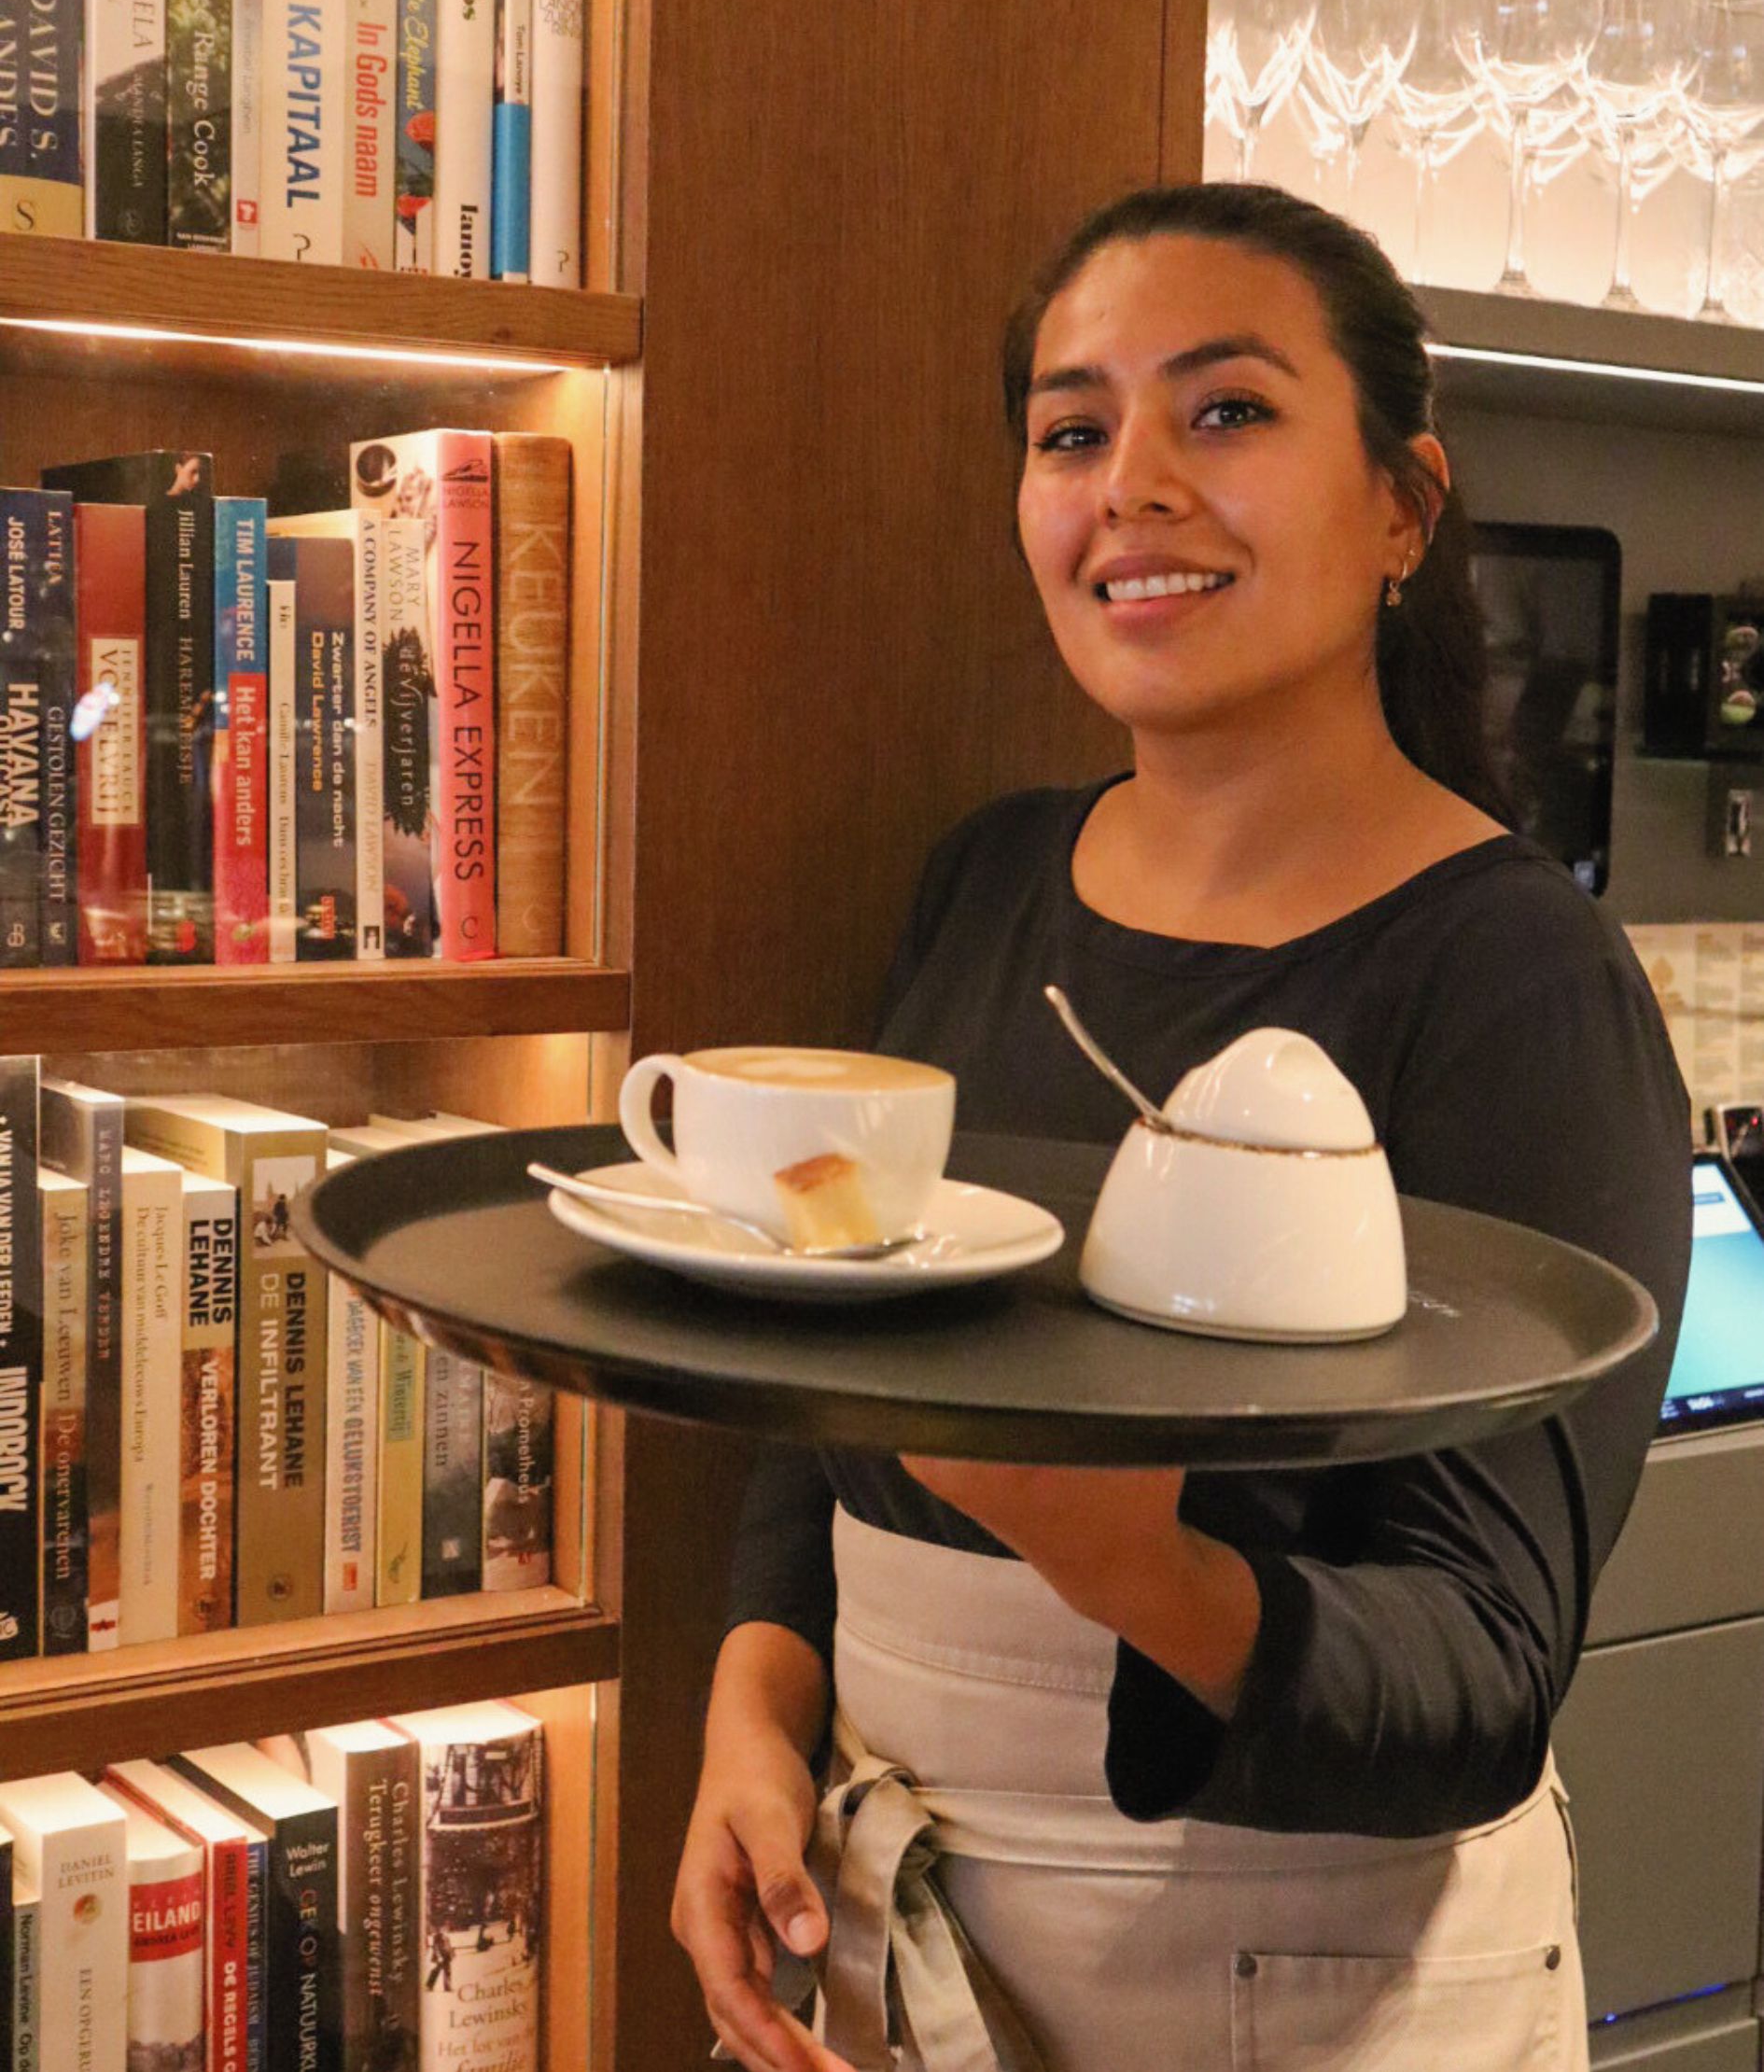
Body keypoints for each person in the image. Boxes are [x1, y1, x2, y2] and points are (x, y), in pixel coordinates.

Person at [670, 183, 1691, 2072]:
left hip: (1305, 1986)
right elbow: (842, 1371)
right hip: (890, 1926)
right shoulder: (985, 879)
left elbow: (1480, 1675)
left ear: (1403, 503)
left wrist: (1126, 1560)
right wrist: (758, 1714)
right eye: (1073, 431)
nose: (1130, 481)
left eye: (1223, 411)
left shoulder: (1522, 982)